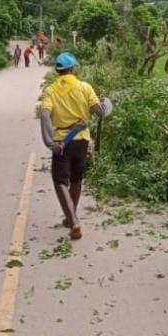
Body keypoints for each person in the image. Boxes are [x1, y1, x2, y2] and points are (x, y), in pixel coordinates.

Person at [39, 52, 112, 241]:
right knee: (76, 179)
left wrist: (50, 142)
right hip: (82, 140)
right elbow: (101, 112)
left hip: (62, 141)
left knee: (60, 181)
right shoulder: (85, 87)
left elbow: (45, 115)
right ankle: (72, 216)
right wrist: (107, 103)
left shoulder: (50, 90)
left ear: (58, 70)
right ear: (72, 69)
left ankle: (73, 220)